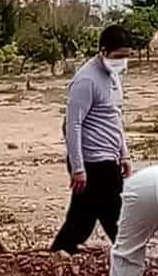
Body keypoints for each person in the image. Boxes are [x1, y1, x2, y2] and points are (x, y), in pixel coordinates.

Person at [50, 25, 133, 255]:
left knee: (83, 217)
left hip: (108, 157)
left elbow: (114, 116)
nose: (122, 61)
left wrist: (124, 153)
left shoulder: (113, 76)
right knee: (114, 214)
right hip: (93, 161)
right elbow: (72, 125)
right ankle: (130, 255)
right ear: (103, 52)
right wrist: (78, 168)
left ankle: (60, 251)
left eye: (127, 55)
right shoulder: (86, 80)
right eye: (118, 56)